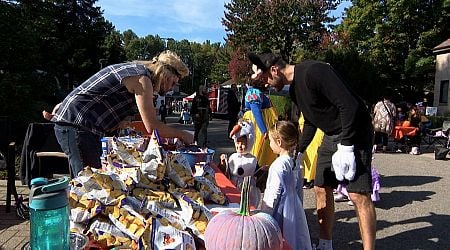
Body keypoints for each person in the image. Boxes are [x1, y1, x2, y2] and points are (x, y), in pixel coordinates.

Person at [249, 52, 376, 250]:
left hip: (355, 131)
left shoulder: (314, 72)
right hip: (330, 133)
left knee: (358, 194)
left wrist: (347, 145)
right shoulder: (294, 92)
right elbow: (310, 121)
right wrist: (297, 152)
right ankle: (325, 244)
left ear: (274, 70)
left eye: (265, 78)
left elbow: (349, 105)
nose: (266, 83)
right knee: (320, 186)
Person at [50, 50, 194, 176]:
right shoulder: (142, 79)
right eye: (173, 83)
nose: (171, 88)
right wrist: (182, 134)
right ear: (165, 75)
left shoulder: (135, 71)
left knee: (90, 181)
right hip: (78, 126)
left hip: (78, 125)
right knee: (89, 184)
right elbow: (152, 126)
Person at [260, 120, 312, 250]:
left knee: (280, 237)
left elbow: (274, 193)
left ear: (279, 142)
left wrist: (264, 214)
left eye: (271, 141)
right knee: (294, 236)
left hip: (280, 209)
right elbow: (298, 188)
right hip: (294, 205)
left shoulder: (278, 165)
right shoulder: (295, 163)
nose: (270, 144)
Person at [242, 79, 278, 190]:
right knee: (258, 151)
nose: (267, 83)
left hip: (261, 125)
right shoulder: (254, 93)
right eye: (265, 81)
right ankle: (256, 180)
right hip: (258, 127)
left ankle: (259, 179)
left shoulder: (256, 92)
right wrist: (264, 130)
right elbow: (256, 112)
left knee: (262, 152)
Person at [218, 119, 260, 207]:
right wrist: (223, 163)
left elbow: (259, 177)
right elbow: (225, 173)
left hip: (247, 192)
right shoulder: (233, 157)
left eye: (243, 143)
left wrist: (263, 172)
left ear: (249, 143)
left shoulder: (253, 160)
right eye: (238, 142)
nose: (239, 146)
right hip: (233, 189)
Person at [299, 112, 324, 191]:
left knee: (314, 154)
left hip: (317, 128)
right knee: (307, 154)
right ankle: (306, 177)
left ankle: (311, 178)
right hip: (309, 127)